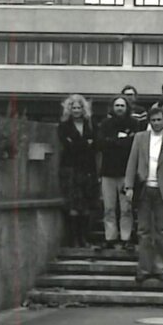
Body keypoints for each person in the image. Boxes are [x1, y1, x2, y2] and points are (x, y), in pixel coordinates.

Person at [124, 106, 163, 283]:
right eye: (153, 120)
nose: (157, 123)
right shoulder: (140, 138)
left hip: (162, 189)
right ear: (149, 121)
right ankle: (144, 267)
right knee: (143, 230)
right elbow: (132, 162)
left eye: (159, 120)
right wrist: (129, 187)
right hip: (144, 188)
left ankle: (162, 267)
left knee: (162, 230)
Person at [96, 95, 138, 251]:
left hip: (126, 173)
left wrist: (113, 141)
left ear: (127, 107)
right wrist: (120, 140)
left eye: (122, 105)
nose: (120, 108)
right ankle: (110, 237)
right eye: (117, 105)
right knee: (109, 208)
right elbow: (101, 143)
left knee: (126, 208)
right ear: (112, 107)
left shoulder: (134, 124)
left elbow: (133, 144)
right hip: (108, 172)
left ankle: (126, 238)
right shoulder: (105, 124)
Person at [58, 94, 98, 248]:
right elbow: (69, 146)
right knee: (74, 206)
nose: (76, 110)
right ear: (69, 109)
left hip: (88, 168)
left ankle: (84, 238)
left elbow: (95, 145)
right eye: (73, 107)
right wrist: (84, 143)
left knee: (86, 206)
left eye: (79, 107)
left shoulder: (91, 124)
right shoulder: (64, 126)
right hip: (71, 168)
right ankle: (74, 239)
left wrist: (79, 143)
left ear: (84, 109)